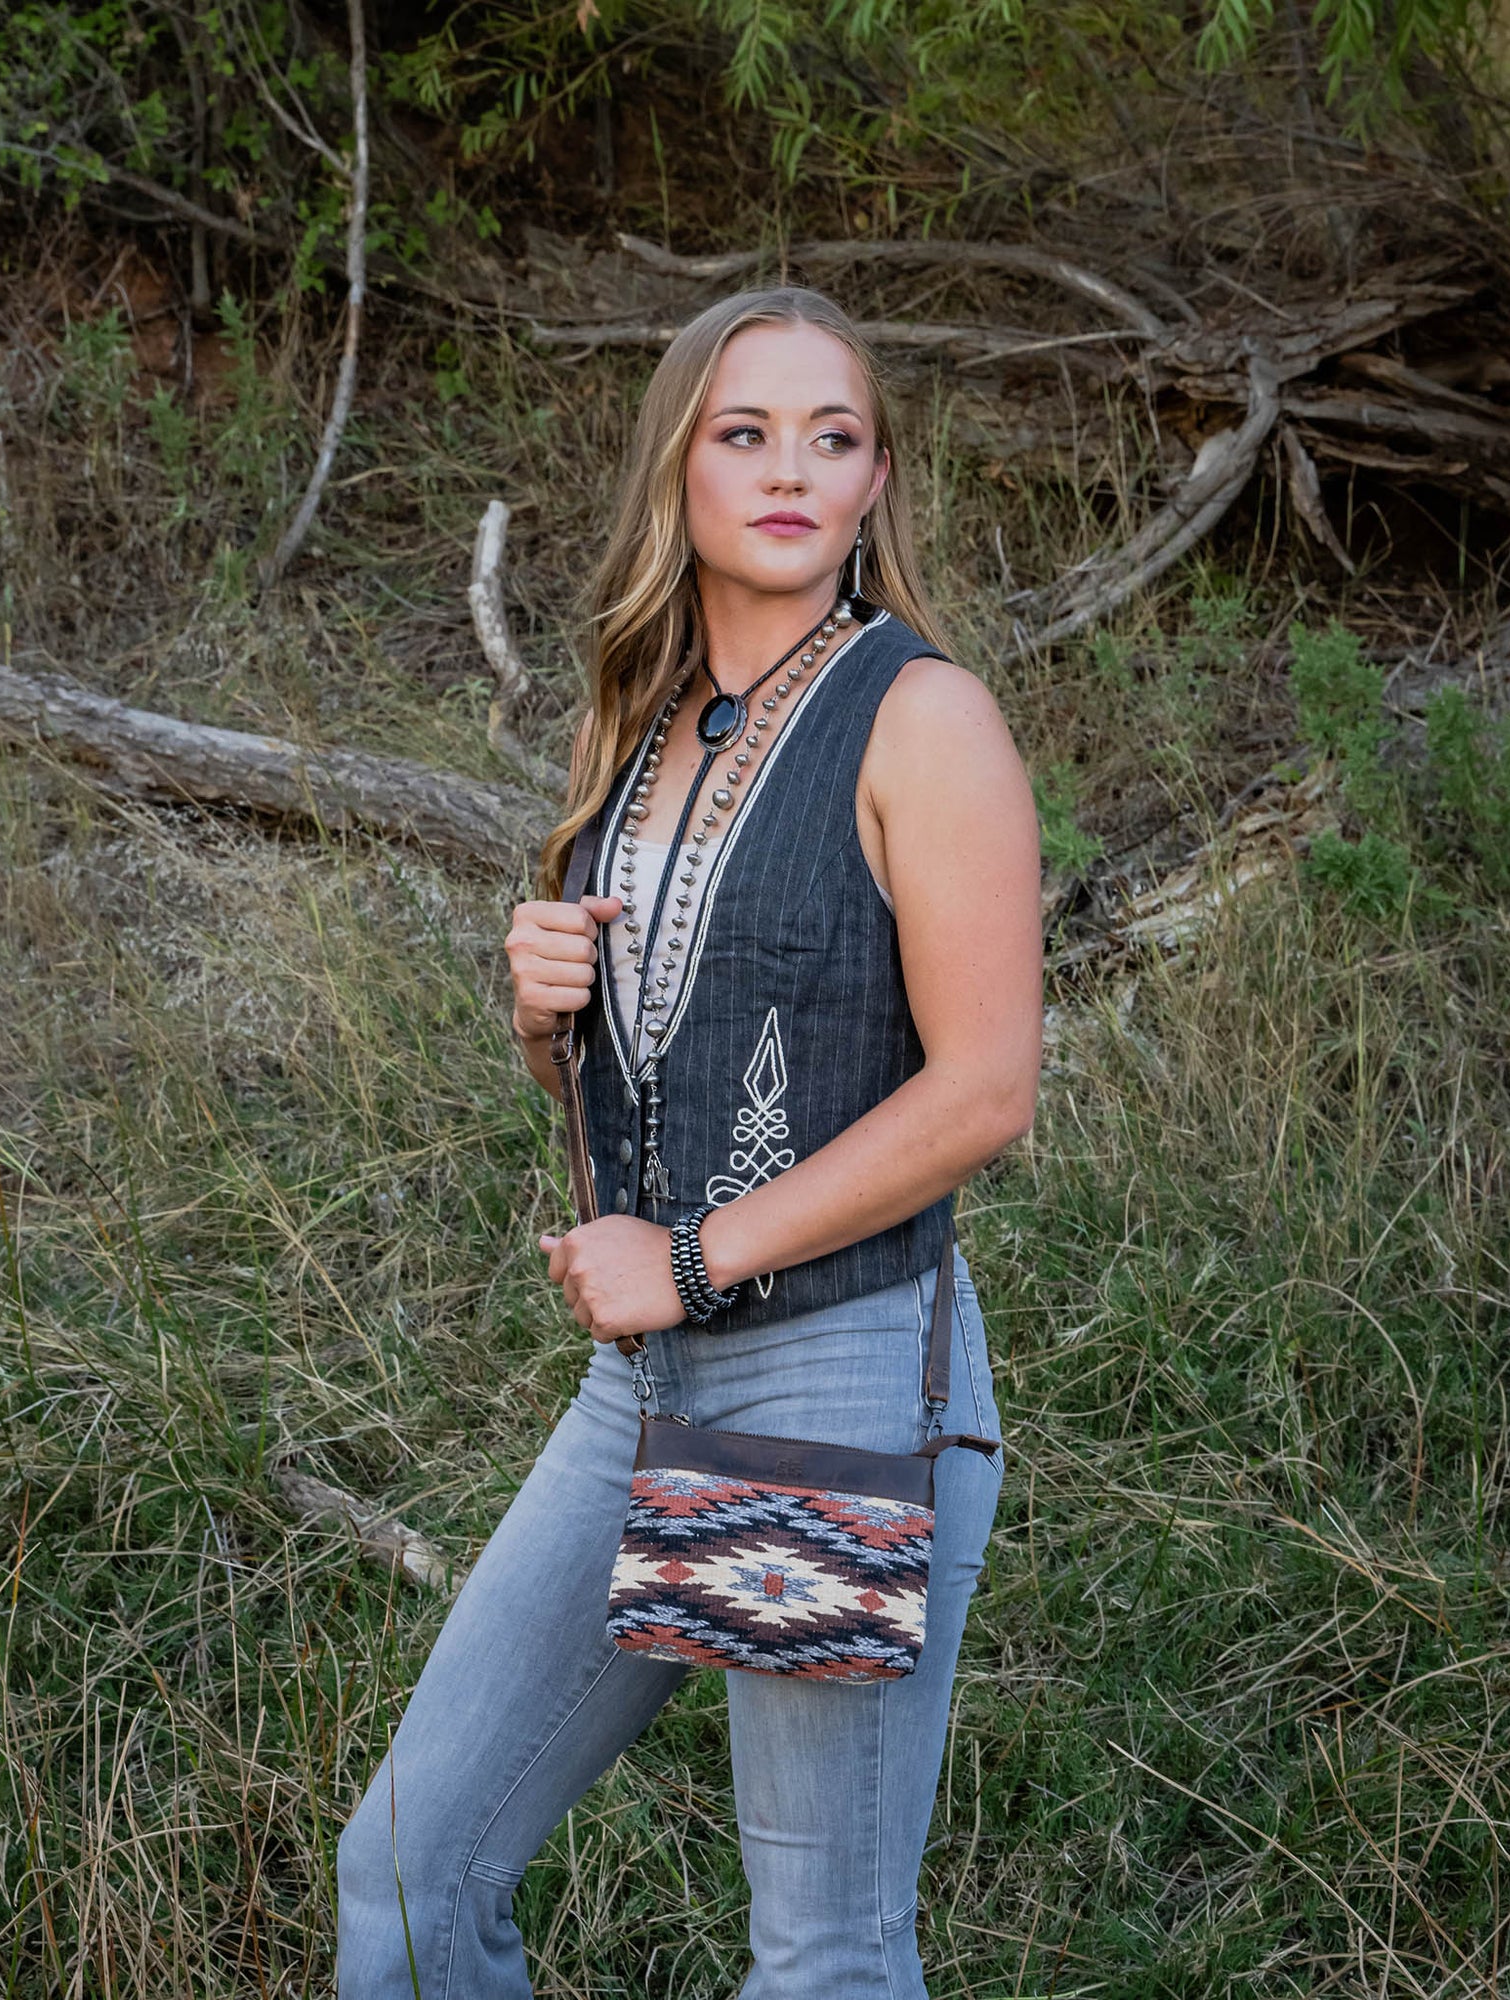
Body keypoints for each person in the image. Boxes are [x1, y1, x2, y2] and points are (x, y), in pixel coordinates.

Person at [336, 284, 1044, 2000]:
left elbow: (985, 1091)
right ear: (679, 469)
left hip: (845, 1379)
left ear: (877, 482)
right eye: (747, 433)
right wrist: (538, 1024)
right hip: (648, 1394)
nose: (791, 469)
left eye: (834, 437)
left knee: (821, 1959)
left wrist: (700, 1256)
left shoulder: (919, 716)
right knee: (413, 1873)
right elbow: (655, 1090)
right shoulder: (638, 736)